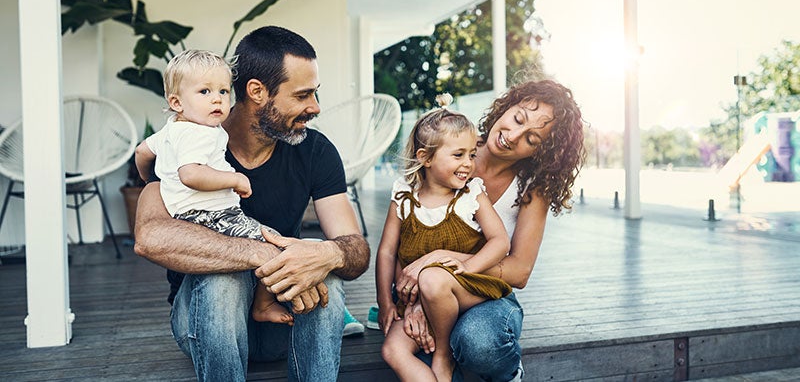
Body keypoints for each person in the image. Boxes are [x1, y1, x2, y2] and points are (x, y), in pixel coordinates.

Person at [133, 26, 370, 382]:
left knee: (328, 278)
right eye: (303, 95)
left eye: (315, 94)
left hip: (284, 320)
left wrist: (327, 256)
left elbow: (355, 249)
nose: (315, 108)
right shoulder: (186, 141)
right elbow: (150, 238)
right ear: (257, 92)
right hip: (204, 323)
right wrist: (262, 254)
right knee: (223, 280)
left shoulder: (315, 151)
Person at [392, 79, 586, 381]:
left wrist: (440, 261)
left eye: (532, 139)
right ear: (507, 106)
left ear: (541, 153)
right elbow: (400, 239)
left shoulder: (531, 190)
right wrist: (415, 302)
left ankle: (510, 373)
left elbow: (519, 271)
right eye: (518, 118)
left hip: (489, 294)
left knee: (479, 342)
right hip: (426, 288)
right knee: (413, 346)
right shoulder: (446, 146)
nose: (513, 135)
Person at [134, 49, 292, 325]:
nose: (217, 98)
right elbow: (191, 175)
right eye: (204, 92)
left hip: (186, 218)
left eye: (223, 90)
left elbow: (141, 153)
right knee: (274, 243)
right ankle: (263, 305)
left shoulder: (171, 130)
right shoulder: (200, 134)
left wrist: (151, 179)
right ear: (176, 102)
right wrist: (236, 179)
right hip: (213, 215)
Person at [376, 95, 512, 382]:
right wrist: (386, 303)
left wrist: (470, 267)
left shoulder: (472, 194)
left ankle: (443, 356)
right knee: (392, 350)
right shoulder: (403, 196)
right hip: (420, 297)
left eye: (472, 154)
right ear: (425, 158)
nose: (468, 164)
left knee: (433, 278)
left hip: (468, 287)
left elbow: (500, 241)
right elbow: (388, 252)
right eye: (458, 155)